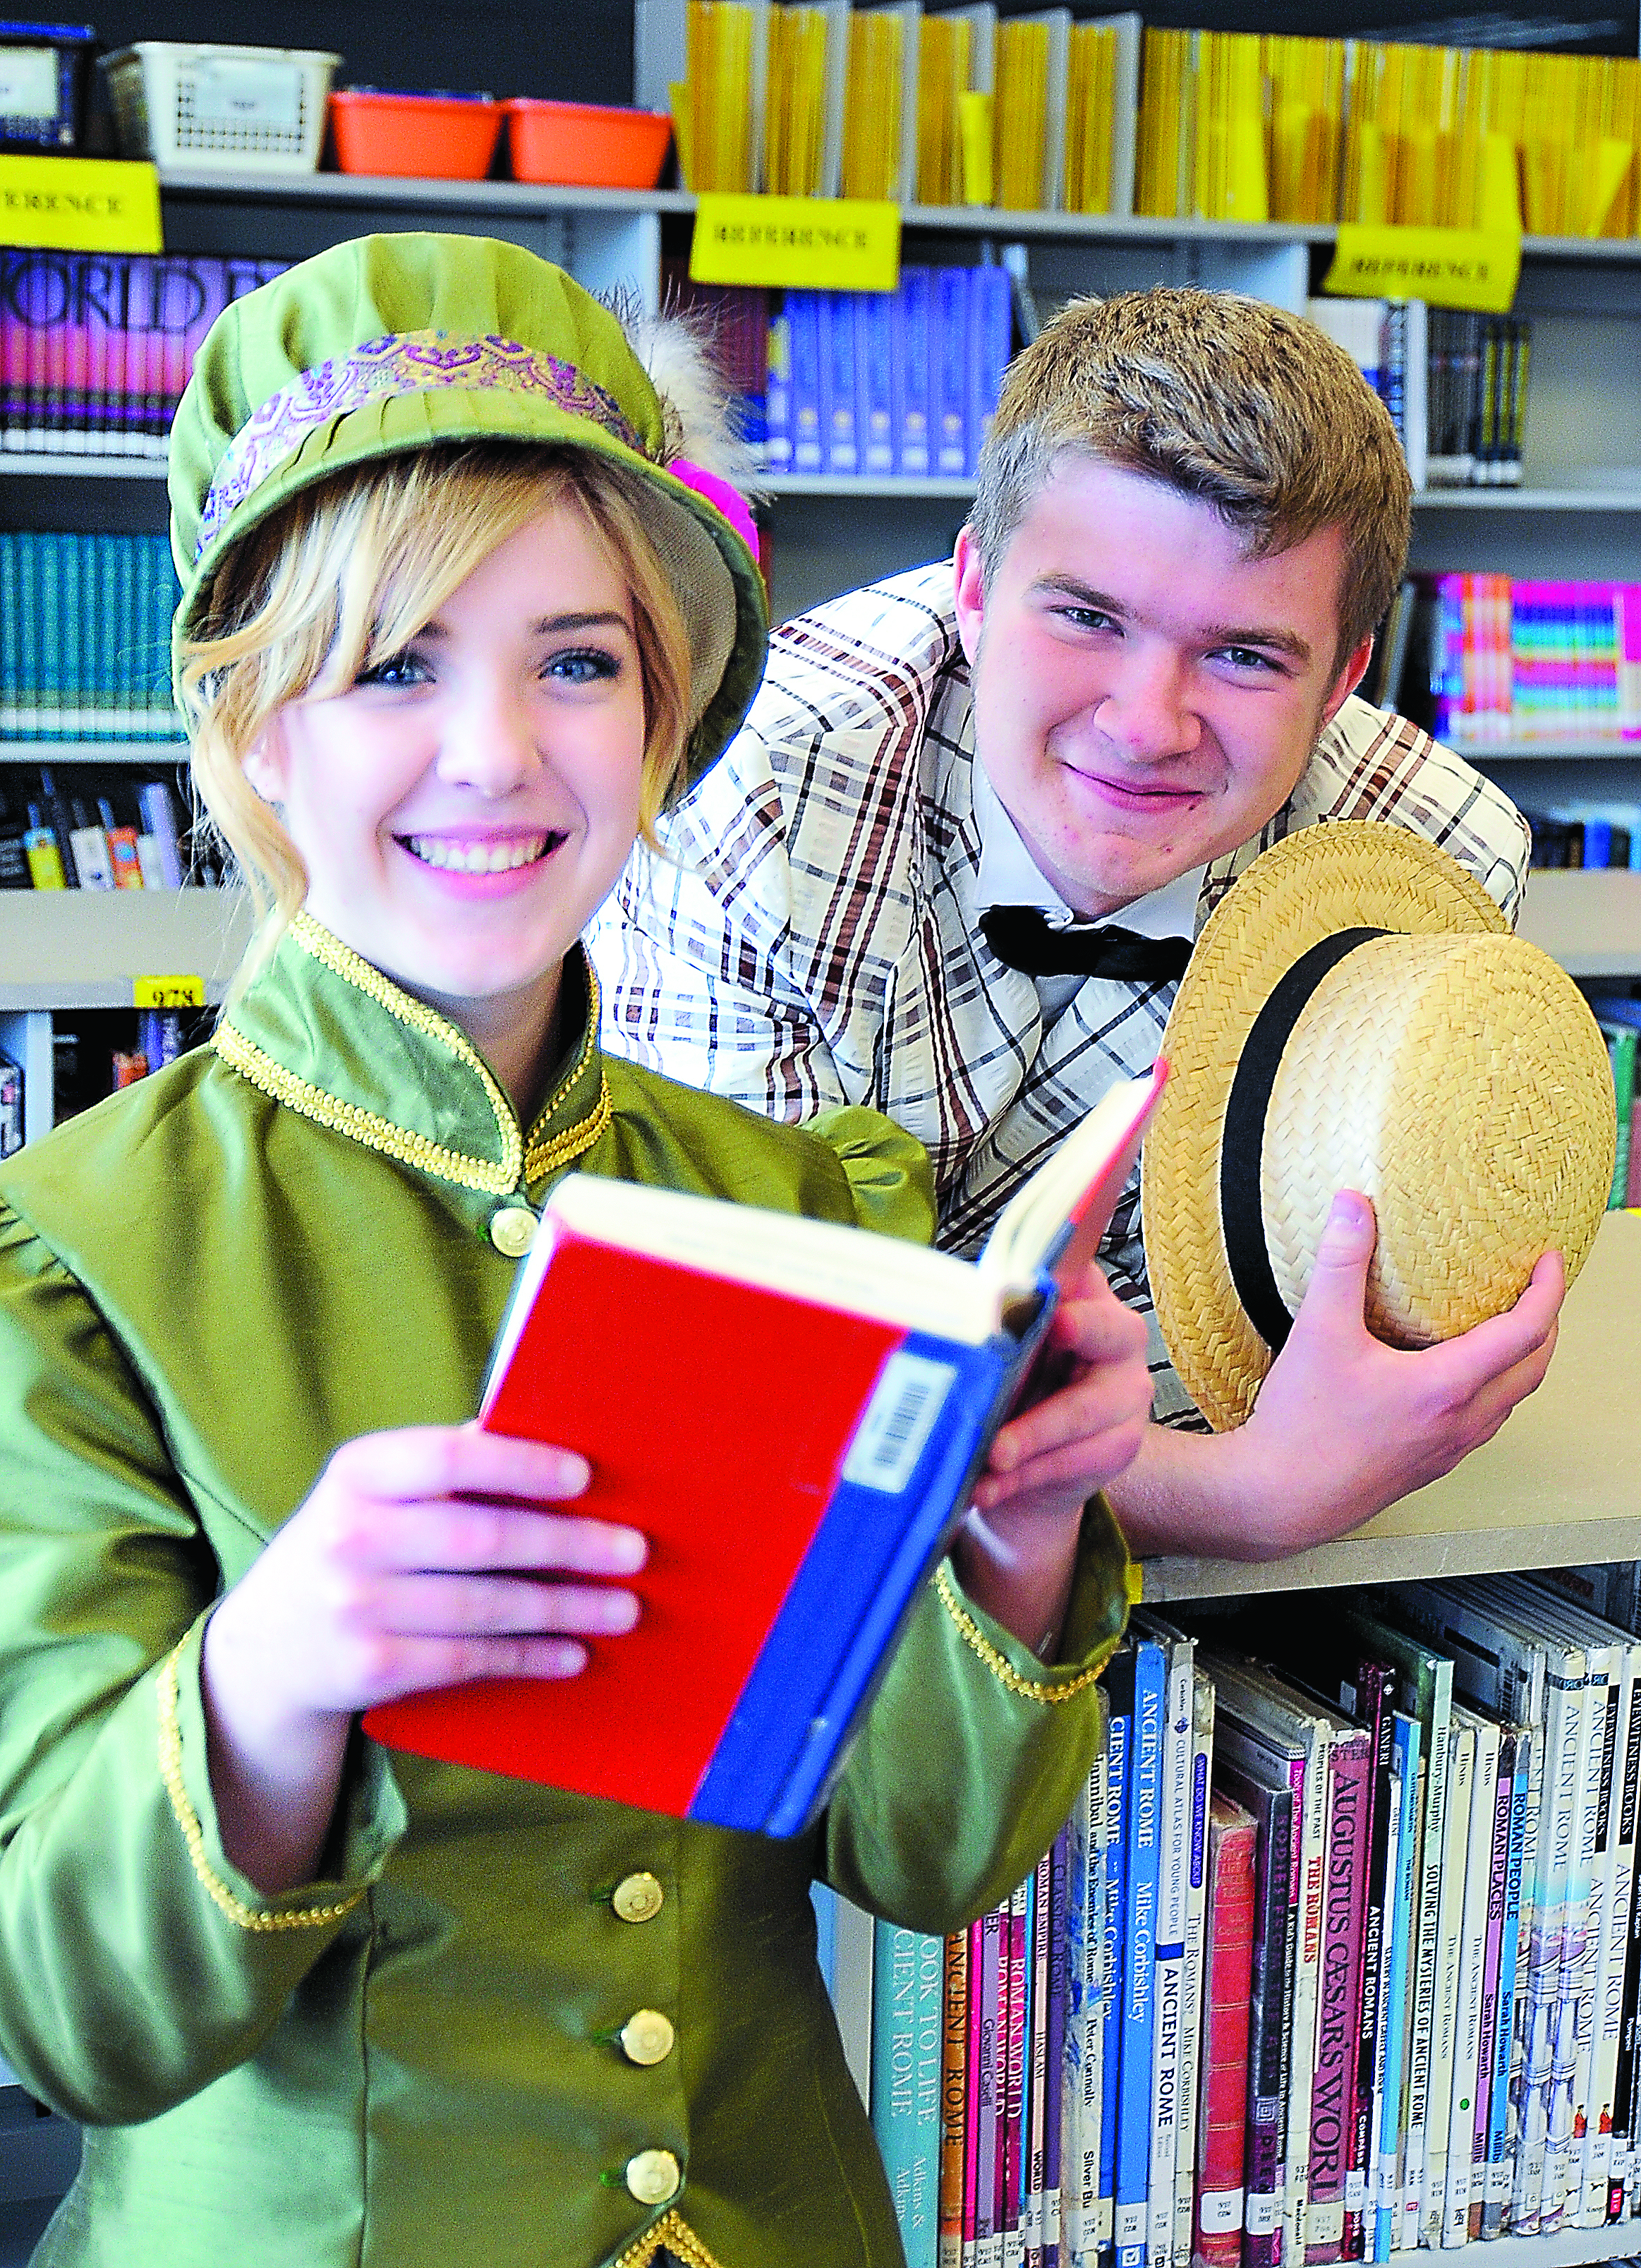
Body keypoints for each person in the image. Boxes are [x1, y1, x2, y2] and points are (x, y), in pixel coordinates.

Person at [0, 236, 1155, 2268]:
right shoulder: (69, 1258)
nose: (496, 755)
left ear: (664, 707)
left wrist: (1016, 1535)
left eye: (573, 658)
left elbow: (931, 1853)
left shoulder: (812, 1207)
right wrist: (270, 1678)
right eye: (392, 665)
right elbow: (74, 2017)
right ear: (257, 730)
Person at [591, 284, 1564, 1564]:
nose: (1145, 722)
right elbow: (739, 1376)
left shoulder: (1426, 871)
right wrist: (1240, 1494)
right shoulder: (745, 791)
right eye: (1087, 617)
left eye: (1245, 657)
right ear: (973, 587)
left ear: (1344, 677)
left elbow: (1322, 1361)